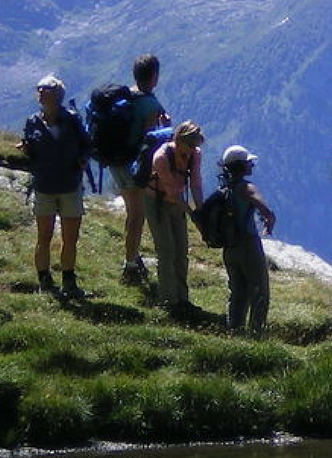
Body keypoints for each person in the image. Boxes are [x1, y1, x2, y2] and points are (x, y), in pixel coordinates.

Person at [18, 74, 89, 300]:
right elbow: (31, 146)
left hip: (69, 184)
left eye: (45, 89)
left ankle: (68, 280)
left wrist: (83, 158)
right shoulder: (32, 122)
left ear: (57, 94)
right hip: (44, 186)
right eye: (38, 88)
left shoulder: (73, 119)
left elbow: (87, 144)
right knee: (44, 237)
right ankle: (45, 280)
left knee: (70, 238)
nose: (40, 92)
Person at [114, 55, 170, 286]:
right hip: (134, 164)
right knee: (138, 215)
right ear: (154, 76)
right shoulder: (150, 104)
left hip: (114, 160)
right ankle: (130, 266)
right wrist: (165, 129)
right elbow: (149, 140)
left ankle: (133, 255)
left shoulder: (125, 95)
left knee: (132, 210)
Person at [146, 120, 205, 316]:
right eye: (190, 145)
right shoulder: (161, 158)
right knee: (166, 250)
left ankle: (182, 299)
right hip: (158, 202)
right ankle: (168, 301)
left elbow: (195, 183)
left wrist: (201, 210)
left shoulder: (194, 154)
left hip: (177, 204)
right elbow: (172, 193)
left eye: (195, 145)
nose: (192, 149)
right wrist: (192, 215)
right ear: (178, 140)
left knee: (181, 251)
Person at [218, 145, 277, 334]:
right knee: (259, 291)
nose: (251, 164)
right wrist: (268, 222)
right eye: (248, 162)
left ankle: (233, 331)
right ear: (241, 166)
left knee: (237, 292)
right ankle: (256, 334)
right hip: (248, 245)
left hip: (229, 247)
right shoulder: (246, 187)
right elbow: (266, 211)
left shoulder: (224, 189)